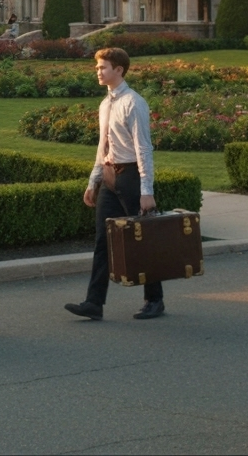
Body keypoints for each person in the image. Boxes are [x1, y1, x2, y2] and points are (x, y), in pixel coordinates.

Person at [65, 47, 164, 321]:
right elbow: (103, 146)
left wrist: (147, 191)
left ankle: (154, 299)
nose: (98, 71)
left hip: (131, 177)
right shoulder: (105, 103)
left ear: (119, 70)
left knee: (141, 241)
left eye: (103, 67)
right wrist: (93, 181)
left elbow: (144, 149)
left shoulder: (134, 103)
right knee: (102, 241)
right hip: (109, 177)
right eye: (97, 67)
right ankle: (94, 303)